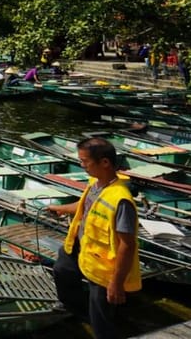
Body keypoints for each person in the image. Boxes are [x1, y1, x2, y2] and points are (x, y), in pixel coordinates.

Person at [46, 137, 141, 339]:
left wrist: (116, 283)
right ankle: (78, 310)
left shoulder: (121, 200)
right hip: (84, 249)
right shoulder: (95, 184)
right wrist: (61, 209)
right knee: (62, 269)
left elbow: (127, 245)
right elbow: (84, 207)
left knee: (102, 320)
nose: (81, 166)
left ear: (104, 163)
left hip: (104, 266)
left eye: (85, 161)